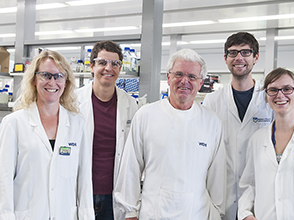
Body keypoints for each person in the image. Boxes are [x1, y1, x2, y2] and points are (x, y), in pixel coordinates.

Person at [114, 48, 226, 220]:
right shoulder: (146, 115)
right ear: (168, 77)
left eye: (192, 77)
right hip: (153, 213)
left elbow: (217, 178)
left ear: (201, 81)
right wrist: (130, 212)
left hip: (196, 214)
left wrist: (216, 213)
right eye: (178, 74)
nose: (184, 81)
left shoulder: (212, 122)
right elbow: (130, 168)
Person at [0, 50, 94, 219]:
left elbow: (85, 180)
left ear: (66, 82)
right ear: (34, 79)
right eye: (46, 75)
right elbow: (3, 181)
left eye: (58, 76)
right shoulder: (14, 123)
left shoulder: (77, 124)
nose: (52, 82)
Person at [238, 67, 294, 220]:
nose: (280, 95)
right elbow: (248, 185)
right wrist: (246, 214)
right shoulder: (257, 139)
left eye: (287, 89)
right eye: (273, 90)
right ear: (266, 98)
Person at [203, 32, 274, 220]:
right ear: (225, 58)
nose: (239, 58)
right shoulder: (212, 101)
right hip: (221, 195)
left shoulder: (270, 100)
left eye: (245, 52)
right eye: (233, 53)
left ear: (256, 57)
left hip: (260, 198)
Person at [76, 40, 138, 220]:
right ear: (92, 66)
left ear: (120, 68)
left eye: (115, 63)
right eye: (102, 62)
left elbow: (133, 155)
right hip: (81, 190)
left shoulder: (130, 104)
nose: (108, 68)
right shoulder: (73, 101)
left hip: (115, 194)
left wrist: (131, 207)